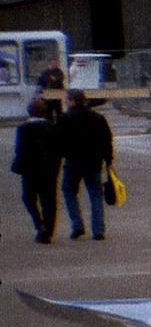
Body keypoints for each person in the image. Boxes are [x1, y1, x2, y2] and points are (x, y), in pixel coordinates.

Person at [58, 89, 115, 240]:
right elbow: (107, 141)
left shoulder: (64, 119)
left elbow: (58, 142)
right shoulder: (97, 118)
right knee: (95, 194)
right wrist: (108, 161)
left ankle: (77, 225)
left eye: (67, 100)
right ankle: (99, 230)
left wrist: (62, 155)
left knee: (69, 191)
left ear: (72, 101)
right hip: (94, 162)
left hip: (73, 162)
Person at [12, 96, 63, 243]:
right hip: (50, 169)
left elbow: (20, 149)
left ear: (29, 112)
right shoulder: (53, 127)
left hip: (30, 169)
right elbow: (59, 149)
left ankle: (39, 223)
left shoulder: (23, 128)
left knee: (28, 197)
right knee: (49, 200)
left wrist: (18, 166)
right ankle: (48, 230)